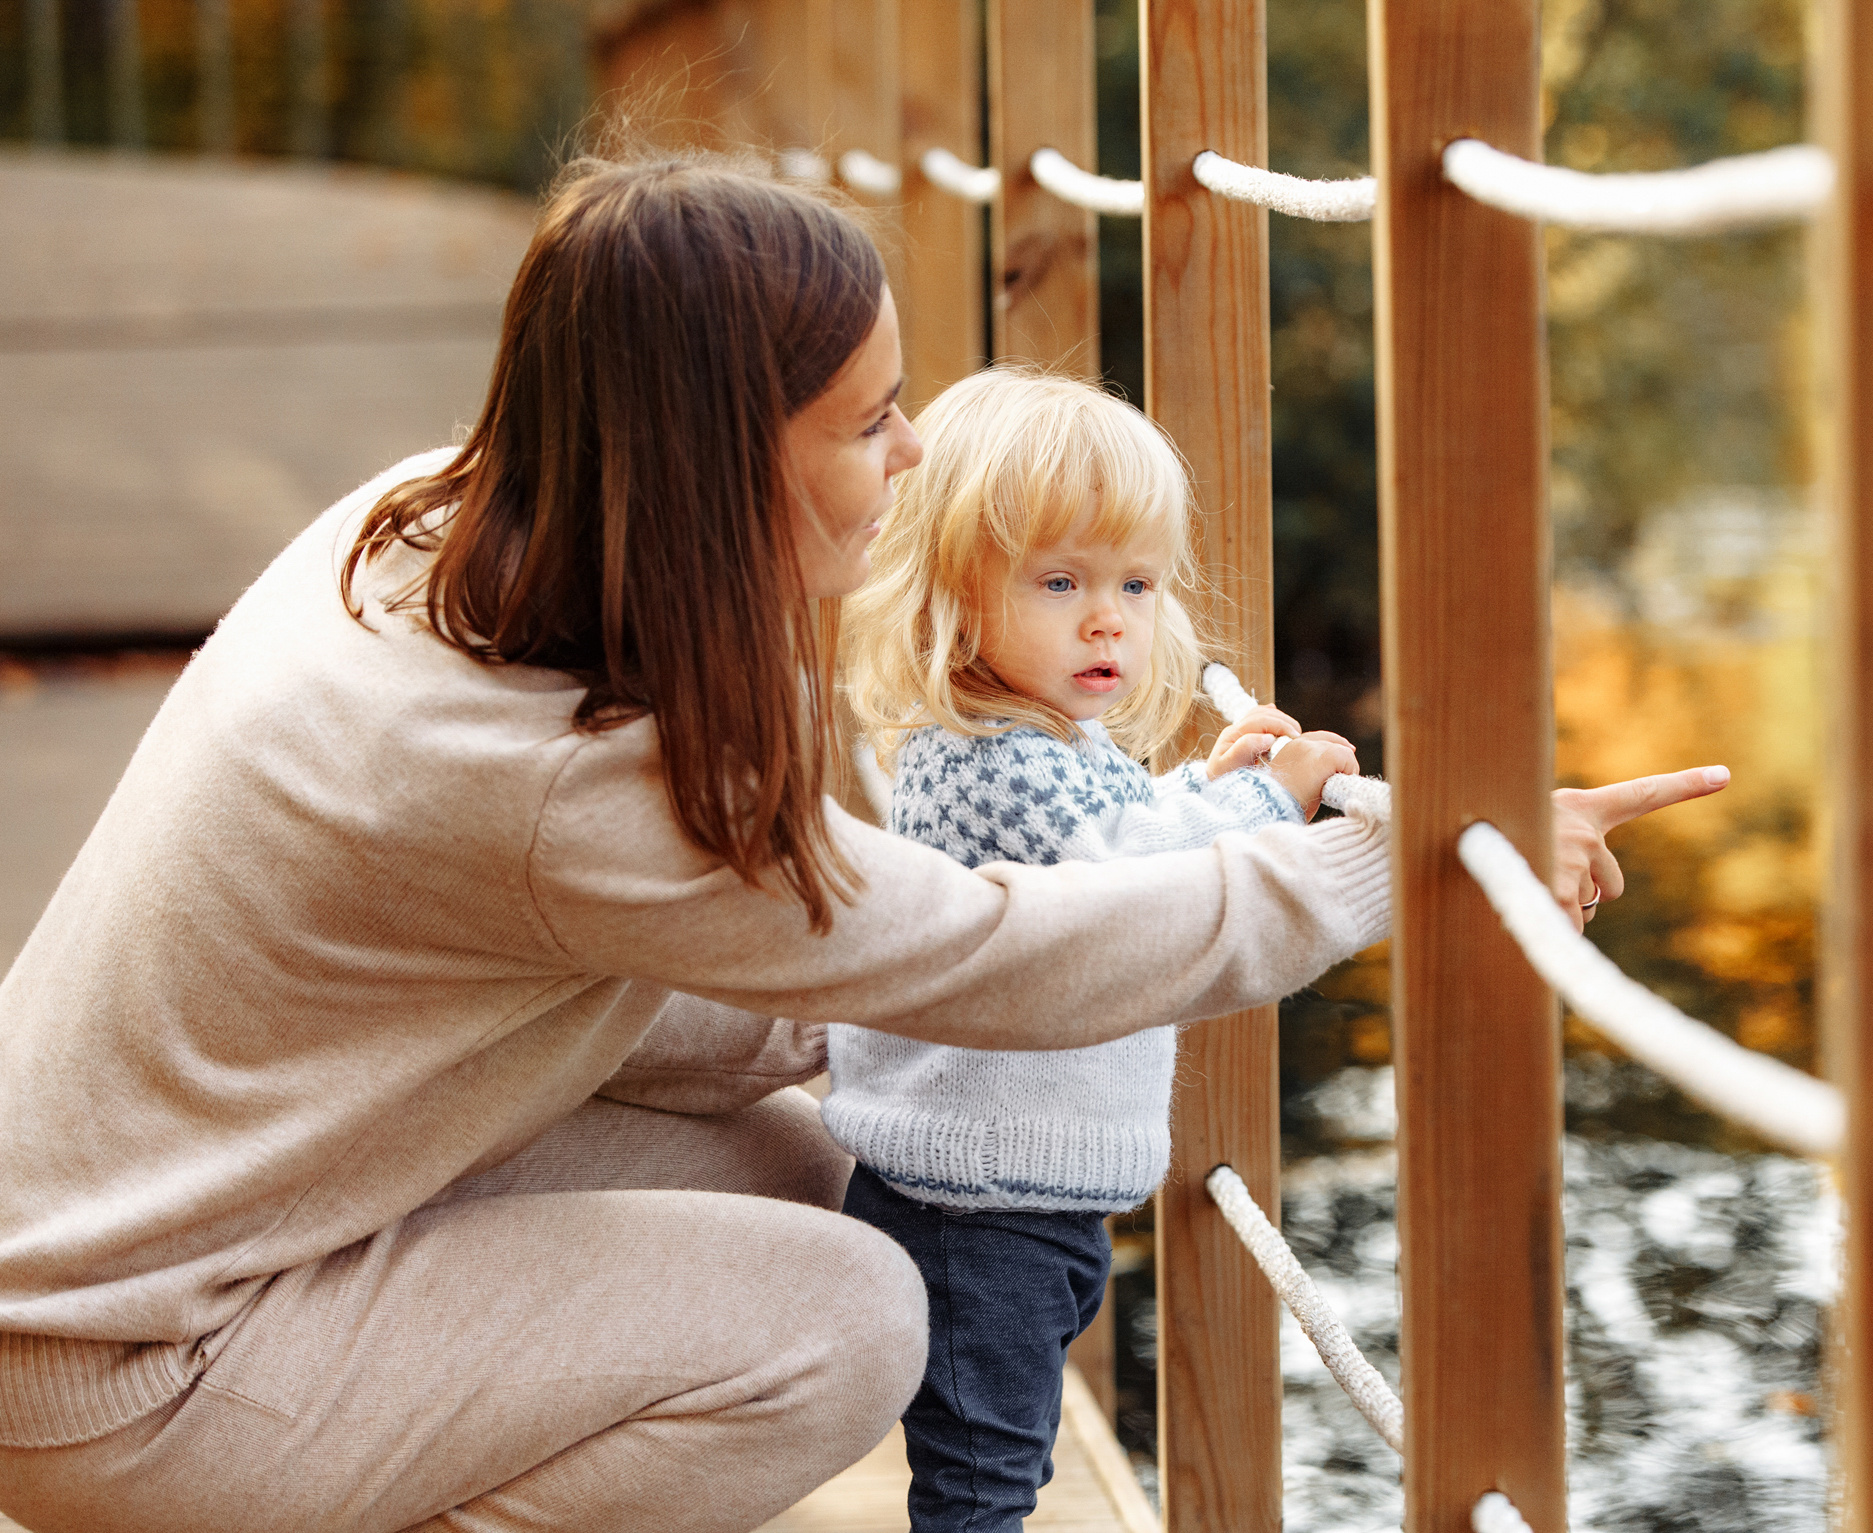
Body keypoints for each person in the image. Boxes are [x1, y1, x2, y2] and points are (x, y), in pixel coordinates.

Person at [0, 148, 1713, 1533]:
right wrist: (1409, 853)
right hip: (131, 1368)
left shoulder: (427, 523)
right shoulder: (563, 782)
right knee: (855, 1316)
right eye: (875, 417)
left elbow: (770, 973)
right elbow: (1001, 951)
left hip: (181, 1226)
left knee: (830, 1181)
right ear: (726, 452)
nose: (914, 454)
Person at [829, 366, 1363, 1532]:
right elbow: (1118, 874)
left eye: (1135, 582)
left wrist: (1206, 783)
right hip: (976, 1203)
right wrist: (1269, 805)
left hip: (1023, 1193)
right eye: (1060, 581)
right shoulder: (982, 754)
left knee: (998, 1466)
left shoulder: (1038, 736)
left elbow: (1114, 828)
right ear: (954, 594)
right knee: (982, 1490)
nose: (1107, 616)